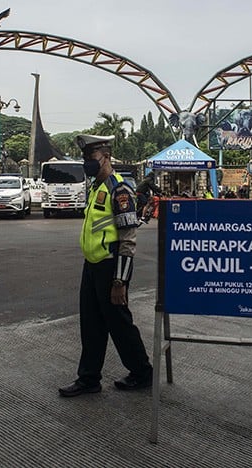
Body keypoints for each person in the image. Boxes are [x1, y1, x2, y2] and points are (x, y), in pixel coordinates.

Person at [59, 134, 153, 397]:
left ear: (106, 157)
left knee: (119, 322)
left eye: (91, 158)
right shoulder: (95, 187)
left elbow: (128, 238)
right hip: (92, 265)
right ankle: (89, 379)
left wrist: (120, 281)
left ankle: (142, 372)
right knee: (90, 324)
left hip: (112, 267)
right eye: (85, 158)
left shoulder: (118, 189)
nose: (87, 163)